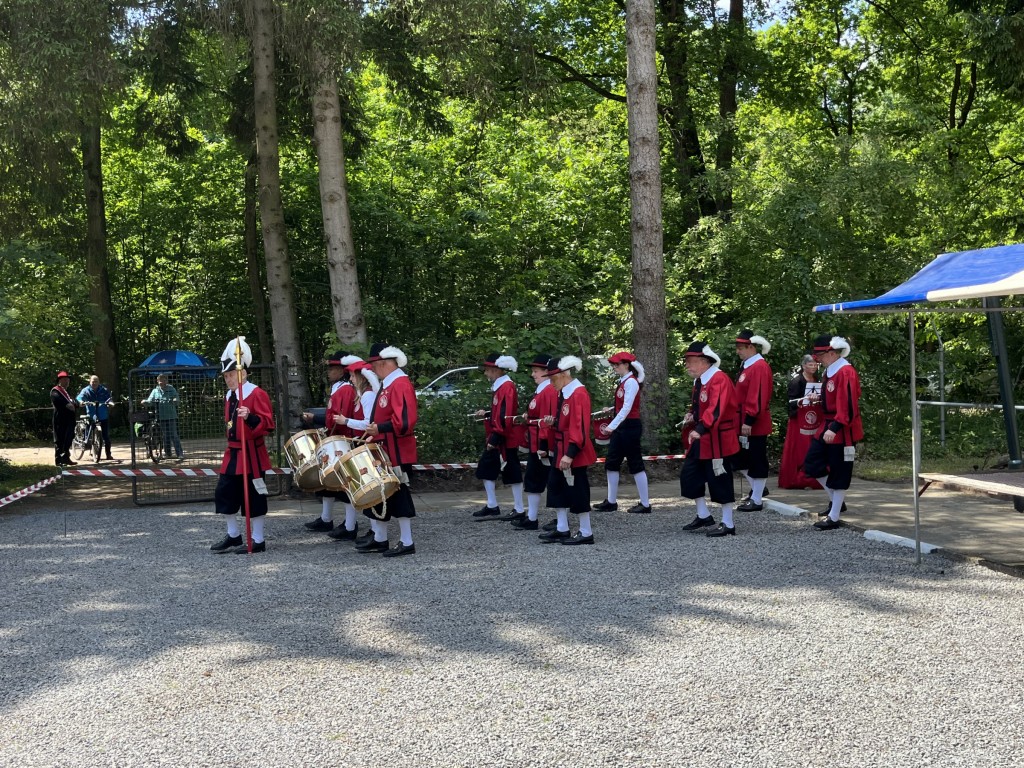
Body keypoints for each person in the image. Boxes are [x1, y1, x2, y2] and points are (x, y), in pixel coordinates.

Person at [210, 336, 276, 555]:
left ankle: (258, 539)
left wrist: (250, 417)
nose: (228, 379)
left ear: (243, 373)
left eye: (231, 374)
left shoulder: (256, 393)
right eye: (226, 376)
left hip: (251, 453)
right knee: (224, 492)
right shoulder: (229, 395)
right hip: (234, 452)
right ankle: (233, 535)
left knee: (255, 496)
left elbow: (268, 424)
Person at [352, 343, 419, 558]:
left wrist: (379, 429)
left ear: (383, 363)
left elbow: (405, 422)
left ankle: (407, 541)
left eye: (374, 366)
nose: (372, 370)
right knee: (380, 493)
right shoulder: (390, 384)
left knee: (399, 494)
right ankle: (380, 538)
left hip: (396, 449)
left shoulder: (400, 384)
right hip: (386, 447)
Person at [678, 342, 740, 537]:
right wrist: (692, 415)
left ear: (704, 361)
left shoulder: (719, 379)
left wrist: (700, 428)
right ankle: (704, 515)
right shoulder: (700, 380)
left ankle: (728, 523)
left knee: (720, 479)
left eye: (691, 361)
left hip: (717, 439)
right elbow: (700, 406)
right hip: (703, 436)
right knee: (690, 476)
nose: (687, 365)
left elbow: (716, 408)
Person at [804, 335, 863, 530]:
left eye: (820, 355)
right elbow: (834, 396)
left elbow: (848, 404)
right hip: (828, 424)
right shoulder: (831, 371)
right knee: (812, 463)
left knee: (839, 470)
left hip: (841, 428)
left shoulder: (846, 372)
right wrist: (820, 398)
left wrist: (835, 427)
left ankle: (834, 515)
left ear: (832, 353)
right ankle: (836, 501)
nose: (818, 359)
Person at [538, 355, 598, 545]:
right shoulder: (564, 392)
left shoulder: (578, 393)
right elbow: (566, 422)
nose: (551, 382)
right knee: (556, 487)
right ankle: (562, 528)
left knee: (578, 489)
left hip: (572, 449)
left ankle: (586, 532)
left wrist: (570, 454)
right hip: (561, 446)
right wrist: (553, 423)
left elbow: (579, 427)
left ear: (563, 374)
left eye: (552, 378)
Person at [301, 350, 360, 536]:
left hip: (342, 440)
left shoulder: (345, 390)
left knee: (344, 484)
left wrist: (315, 418)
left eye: (332, 369)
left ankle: (350, 525)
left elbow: (339, 418)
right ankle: (326, 518)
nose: (328, 372)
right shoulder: (339, 388)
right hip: (335, 439)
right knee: (326, 482)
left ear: (341, 371)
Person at [592, 351, 652, 514]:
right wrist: (612, 409)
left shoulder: (631, 382)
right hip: (621, 425)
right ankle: (611, 501)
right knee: (612, 462)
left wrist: (611, 426)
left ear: (626, 365)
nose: (614, 367)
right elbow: (624, 404)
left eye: (617, 365)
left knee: (635, 463)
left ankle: (645, 504)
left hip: (629, 426)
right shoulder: (624, 381)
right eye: (614, 365)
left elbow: (627, 408)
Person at [332, 358, 382, 541]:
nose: (351, 380)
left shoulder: (367, 396)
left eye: (353, 376)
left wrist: (346, 421)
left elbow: (368, 424)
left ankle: (377, 532)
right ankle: (374, 530)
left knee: (370, 490)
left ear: (361, 377)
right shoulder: (363, 395)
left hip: (366, 445)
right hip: (362, 444)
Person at [472, 353, 525, 521]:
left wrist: (495, 437)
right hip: (499, 433)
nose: (486, 373)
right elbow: (500, 412)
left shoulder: (506, 387)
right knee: (487, 469)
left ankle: (518, 508)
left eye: (487, 370)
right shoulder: (501, 387)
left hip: (504, 436)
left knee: (512, 471)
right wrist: (488, 414)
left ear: (496, 370)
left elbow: (506, 414)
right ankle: (492, 505)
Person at [510, 354, 558, 531]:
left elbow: (547, 420)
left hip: (542, 444)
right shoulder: (542, 390)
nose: (533, 374)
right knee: (533, 479)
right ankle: (532, 517)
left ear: (546, 372)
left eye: (536, 371)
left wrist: (543, 446)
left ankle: (557, 519)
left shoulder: (548, 391)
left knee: (551, 481)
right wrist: (528, 417)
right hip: (536, 442)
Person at [732, 330, 774, 512]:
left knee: (756, 458)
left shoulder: (759, 367)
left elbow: (757, 395)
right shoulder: (748, 365)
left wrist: (749, 419)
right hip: (743, 418)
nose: (738, 351)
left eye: (740, 348)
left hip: (754, 421)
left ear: (751, 347)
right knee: (739, 459)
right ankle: (758, 489)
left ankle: (757, 498)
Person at [778, 355, 823, 489]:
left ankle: (813, 477)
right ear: (804, 366)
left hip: (813, 420)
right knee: (799, 449)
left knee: (813, 447)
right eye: (810, 364)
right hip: (799, 421)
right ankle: (798, 478)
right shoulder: (796, 382)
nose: (813, 367)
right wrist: (805, 399)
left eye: (815, 365)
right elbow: (791, 402)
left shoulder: (817, 380)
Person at [143, 374, 184, 460]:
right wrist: (145, 402)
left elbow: (177, 399)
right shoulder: (155, 391)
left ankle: (180, 453)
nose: (162, 382)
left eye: (164, 380)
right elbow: (150, 401)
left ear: (167, 381)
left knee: (174, 435)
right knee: (165, 436)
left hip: (171, 416)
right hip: (160, 417)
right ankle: (168, 453)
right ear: (157, 381)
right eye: (160, 380)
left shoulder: (171, 389)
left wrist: (175, 400)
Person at [76, 374, 114, 461]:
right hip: (91, 415)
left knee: (106, 436)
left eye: (96, 381)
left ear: (99, 382)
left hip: (103, 415)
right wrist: (81, 402)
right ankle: (87, 445)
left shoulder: (103, 390)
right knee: (89, 433)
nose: (94, 383)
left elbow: (108, 398)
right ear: (90, 382)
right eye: (93, 381)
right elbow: (79, 397)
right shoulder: (86, 390)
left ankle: (108, 454)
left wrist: (111, 403)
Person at [51, 371, 78, 466]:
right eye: (65, 380)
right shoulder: (55, 391)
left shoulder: (67, 392)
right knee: (60, 439)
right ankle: (59, 460)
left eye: (68, 380)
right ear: (60, 380)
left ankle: (66, 457)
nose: (67, 381)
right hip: (60, 419)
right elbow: (57, 400)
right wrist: (67, 405)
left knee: (69, 438)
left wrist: (75, 404)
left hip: (69, 419)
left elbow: (74, 401)